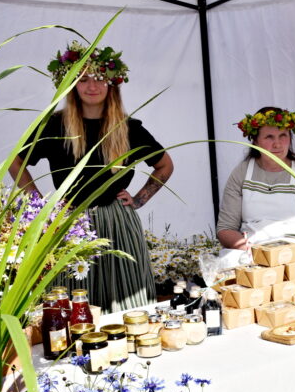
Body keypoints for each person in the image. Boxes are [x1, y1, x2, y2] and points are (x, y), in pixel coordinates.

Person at [10, 41, 174, 312]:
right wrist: (40, 204)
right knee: (72, 298)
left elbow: (165, 165)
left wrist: (139, 199)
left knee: (127, 297)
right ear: (73, 84)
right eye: (83, 79)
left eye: (99, 78)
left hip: (117, 221)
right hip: (69, 222)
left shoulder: (128, 128)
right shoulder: (55, 125)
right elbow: (16, 162)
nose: (92, 86)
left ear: (112, 84)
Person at [217, 107, 295, 265]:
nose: (277, 144)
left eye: (283, 136)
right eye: (269, 137)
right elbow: (225, 229)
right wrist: (255, 253)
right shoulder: (242, 172)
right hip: (253, 257)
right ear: (255, 141)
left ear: (290, 138)